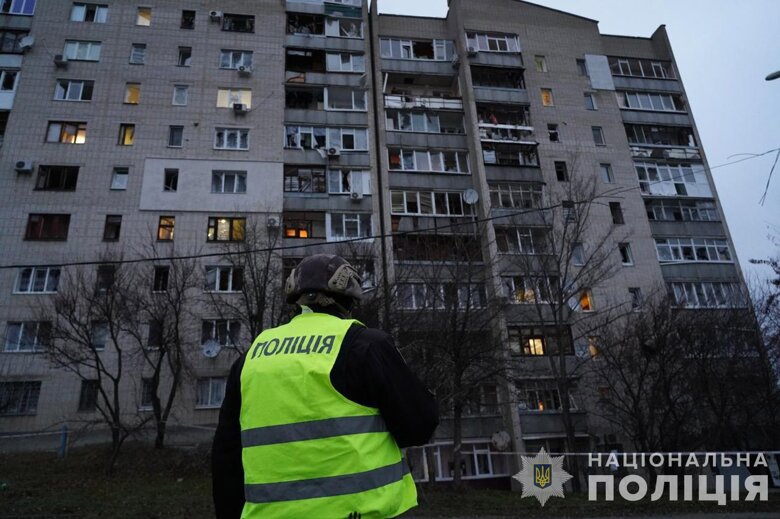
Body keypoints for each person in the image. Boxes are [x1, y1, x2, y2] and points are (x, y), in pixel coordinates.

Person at [212, 254, 438, 518]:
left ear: (294, 301)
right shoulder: (365, 345)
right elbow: (419, 427)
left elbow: (226, 456)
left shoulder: (251, 358)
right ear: (349, 300)